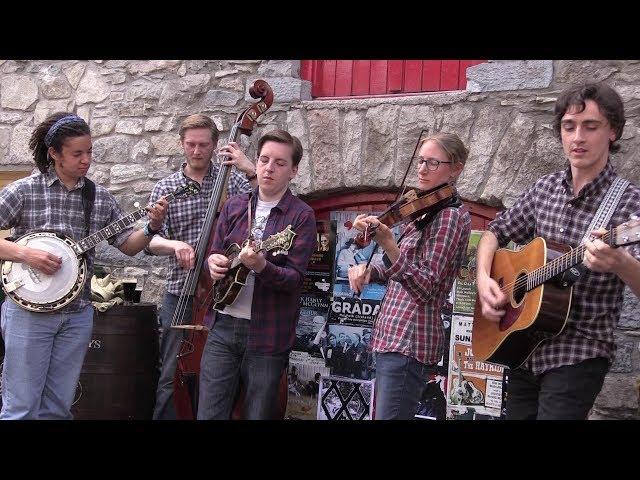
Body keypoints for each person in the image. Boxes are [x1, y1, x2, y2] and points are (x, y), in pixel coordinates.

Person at [475, 82, 640, 420]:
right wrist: (483, 280)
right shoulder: (544, 189)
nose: (577, 137)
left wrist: (621, 262)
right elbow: (493, 233)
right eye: (569, 126)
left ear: (613, 132)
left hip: (579, 350)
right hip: (523, 345)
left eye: (590, 126)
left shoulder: (629, 202)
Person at [0, 112, 168, 420]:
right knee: (21, 408)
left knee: (58, 409)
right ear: (54, 154)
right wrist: (26, 255)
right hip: (28, 314)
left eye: (89, 152)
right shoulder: (23, 190)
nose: (86, 160)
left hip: (77, 315)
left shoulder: (99, 197)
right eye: (77, 153)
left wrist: (151, 226)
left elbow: (128, 246)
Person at [348, 132, 471, 419]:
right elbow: (402, 270)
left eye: (433, 162)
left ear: (456, 169)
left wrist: (390, 244)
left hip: (410, 340)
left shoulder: (450, 216)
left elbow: (426, 285)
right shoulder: (425, 210)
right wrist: (371, 272)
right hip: (393, 337)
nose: (422, 169)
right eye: (420, 161)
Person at [198, 129, 316, 420]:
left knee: (258, 415)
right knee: (209, 413)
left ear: (293, 171)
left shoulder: (301, 216)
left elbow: (295, 280)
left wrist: (262, 267)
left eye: (279, 163)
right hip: (223, 325)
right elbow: (214, 253)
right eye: (264, 160)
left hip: (268, 332)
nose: (269, 168)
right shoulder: (235, 206)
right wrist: (212, 263)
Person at [144, 114, 257, 420]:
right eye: (190, 144)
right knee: (172, 372)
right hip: (180, 293)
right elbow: (149, 241)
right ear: (182, 144)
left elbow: (265, 207)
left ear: (215, 145)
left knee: (222, 375)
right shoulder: (166, 188)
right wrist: (174, 245)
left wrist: (250, 169)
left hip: (223, 296)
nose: (196, 151)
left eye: (203, 145)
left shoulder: (232, 179)